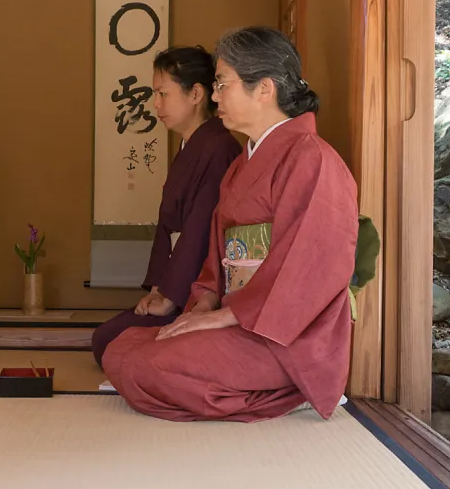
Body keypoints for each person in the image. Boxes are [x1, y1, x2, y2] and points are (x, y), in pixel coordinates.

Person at [102, 26, 358, 422]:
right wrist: (203, 302)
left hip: (282, 336)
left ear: (264, 89)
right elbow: (218, 254)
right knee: (122, 348)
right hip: (238, 318)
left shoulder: (313, 159)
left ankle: (290, 391)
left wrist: (225, 316)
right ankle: (251, 387)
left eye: (222, 84)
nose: (215, 95)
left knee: (145, 366)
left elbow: (310, 270)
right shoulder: (241, 164)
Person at [91, 46, 242, 365]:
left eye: (163, 93)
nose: (155, 104)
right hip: (179, 281)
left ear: (196, 93)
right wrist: (159, 288)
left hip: (200, 288)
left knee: (110, 341)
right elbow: (169, 228)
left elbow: (200, 230)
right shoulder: (194, 144)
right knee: (108, 338)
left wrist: (171, 298)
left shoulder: (219, 147)